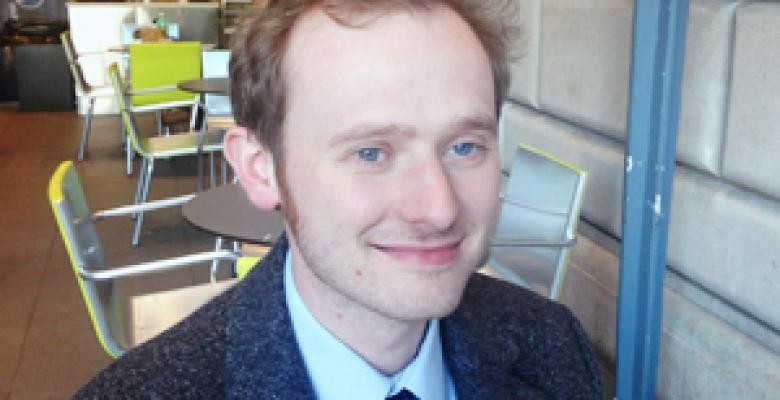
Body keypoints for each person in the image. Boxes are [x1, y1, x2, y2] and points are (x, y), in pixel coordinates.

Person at [74, 1, 603, 398]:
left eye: (465, 146)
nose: (439, 209)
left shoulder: (551, 346)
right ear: (262, 170)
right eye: (371, 153)